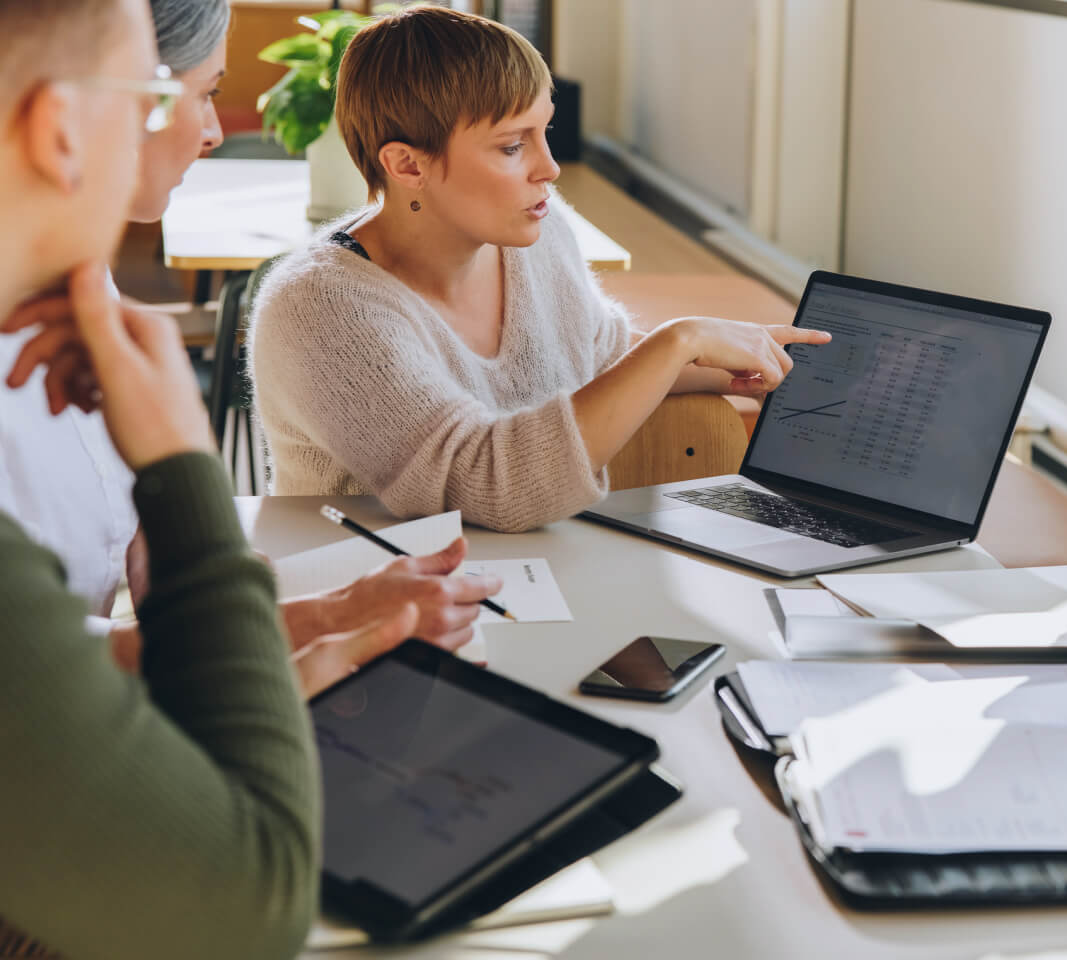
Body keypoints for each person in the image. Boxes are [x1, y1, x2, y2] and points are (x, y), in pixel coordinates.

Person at [0, 0, 368, 955]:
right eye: (154, 98)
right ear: (60, 129)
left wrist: (273, 628)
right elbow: (246, 913)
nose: (199, 130)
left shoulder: (69, 307)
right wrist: (183, 465)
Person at [0, 0, 501, 697]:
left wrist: (309, 616)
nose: (210, 132)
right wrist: (317, 625)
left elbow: (150, 572)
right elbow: (30, 676)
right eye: (197, 96)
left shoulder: (82, 295)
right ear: (61, 128)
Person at [249, 5, 830, 533]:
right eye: (511, 146)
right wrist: (684, 337)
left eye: (544, 131)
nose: (549, 167)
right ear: (406, 165)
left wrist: (747, 365)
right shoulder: (319, 306)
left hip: (535, 576)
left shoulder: (539, 235)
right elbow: (488, 487)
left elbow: (596, 355)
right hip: (380, 610)